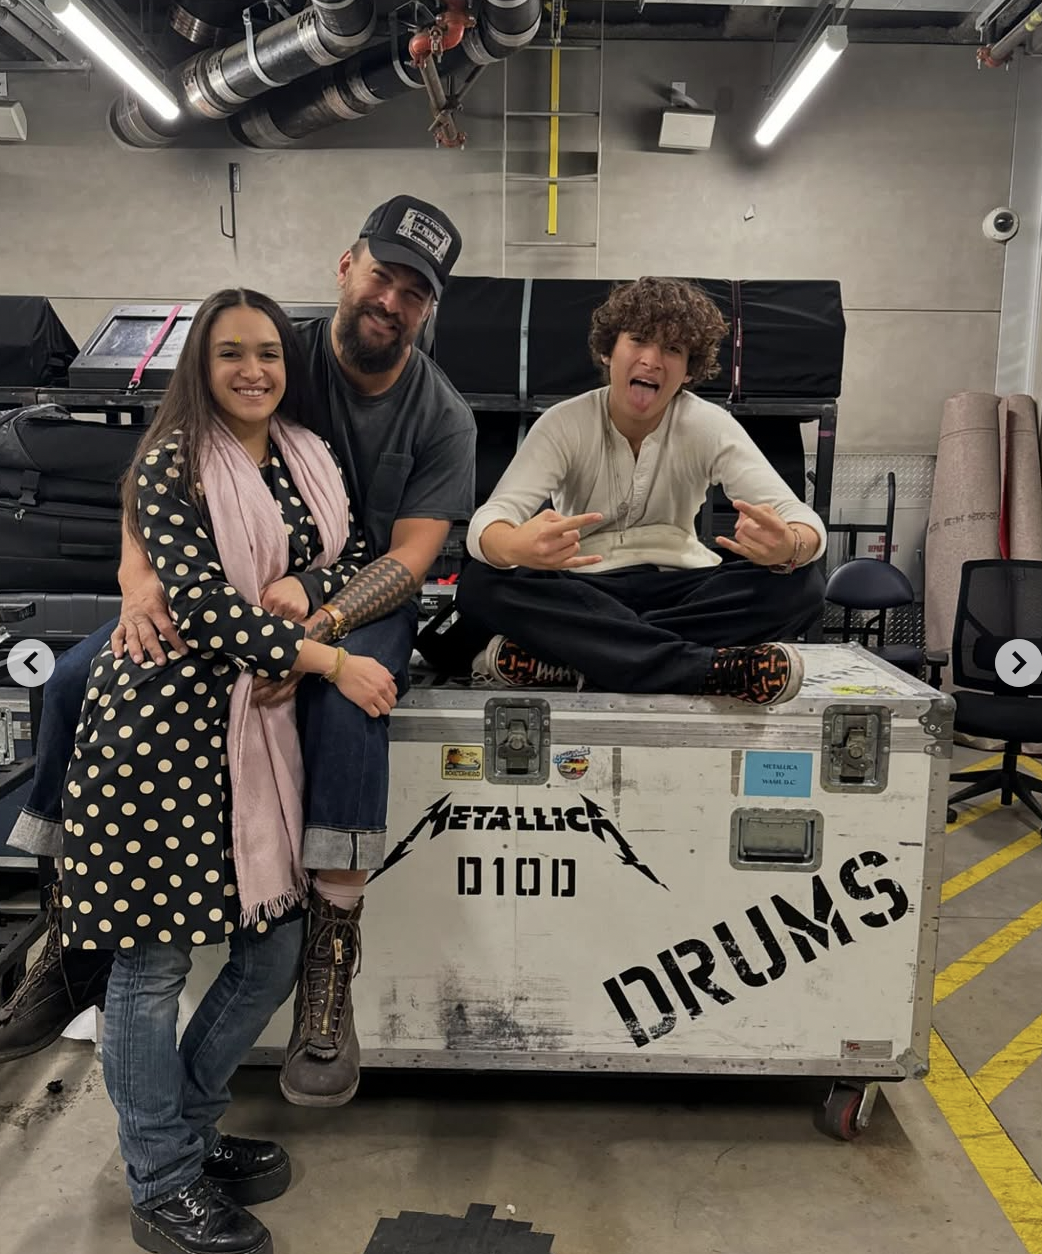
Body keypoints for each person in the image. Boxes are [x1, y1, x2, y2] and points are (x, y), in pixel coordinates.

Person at [0, 196, 475, 1114]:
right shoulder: (274, 351)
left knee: (344, 709)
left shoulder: (442, 416)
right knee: (67, 679)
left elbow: (412, 559)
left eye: (414, 292)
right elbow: (162, 456)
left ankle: (328, 960)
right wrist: (138, 580)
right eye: (382, 275)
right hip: (224, 581)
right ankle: (69, 934)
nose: (391, 300)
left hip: (353, 593)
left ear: (428, 309)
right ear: (347, 266)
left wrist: (321, 629)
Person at [58, 287, 386, 1254]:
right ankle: (159, 1179)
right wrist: (326, 657)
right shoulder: (170, 463)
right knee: (152, 965)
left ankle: (190, 1131)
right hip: (158, 735)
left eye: (270, 355)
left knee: (272, 952)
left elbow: (355, 553)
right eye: (232, 353)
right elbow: (199, 609)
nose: (253, 371)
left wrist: (308, 589)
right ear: (199, 364)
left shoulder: (305, 456)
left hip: (252, 736)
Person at [458, 276, 826, 701]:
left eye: (672, 348)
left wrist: (791, 545)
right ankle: (706, 669)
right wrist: (514, 544)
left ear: (689, 370)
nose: (652, 360)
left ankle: (575, 657)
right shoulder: (563, 423)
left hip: (676, 589)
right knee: (480, 582)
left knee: (803, 586)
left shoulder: (708, 425)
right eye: (638, 340)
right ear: (607, 351)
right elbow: (490, 518)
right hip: (583, 589)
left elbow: (801, 520)